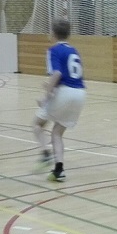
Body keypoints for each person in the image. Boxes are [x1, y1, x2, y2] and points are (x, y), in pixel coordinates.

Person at [33, 18, 86, 182]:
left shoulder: (54, 50)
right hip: (80, 93)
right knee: (57, 132)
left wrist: (45, 97)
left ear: (53, 33)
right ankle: (59, 170)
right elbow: (70, 75)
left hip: (65, 92)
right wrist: (51, 85)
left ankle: (45, 153)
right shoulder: (74, 50)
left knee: (37, 124)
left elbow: (57, 74)